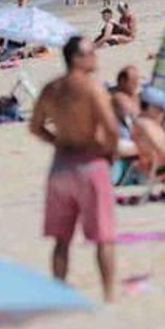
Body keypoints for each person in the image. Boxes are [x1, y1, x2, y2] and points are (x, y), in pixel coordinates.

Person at [30, 36, 120, 301]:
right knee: (103, 236)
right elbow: (112, 129)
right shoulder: (92, 89)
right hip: (89, 163)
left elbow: (35, 127)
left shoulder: (51, 89)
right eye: (91, 52)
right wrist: (109, 152)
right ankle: (109, 295)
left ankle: (58, 292)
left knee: (61, 239)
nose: (95, 57)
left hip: (61, 165)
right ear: (76, 58)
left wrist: (56, 140)